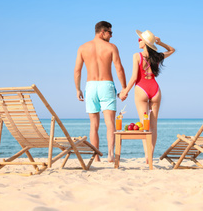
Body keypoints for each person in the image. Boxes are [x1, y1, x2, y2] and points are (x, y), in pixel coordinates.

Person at [74, 21, 127, 162]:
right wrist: (124, 88)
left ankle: (96, 156)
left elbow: (77, 70)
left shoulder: (83, 47)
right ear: (102, 32)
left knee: (94, 124)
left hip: (90, 86)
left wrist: (78, 89)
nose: (111, 36)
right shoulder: (111, 47)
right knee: (110, 122)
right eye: (110, 32)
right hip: (106, 85)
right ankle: (110, 154)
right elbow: (119, 68)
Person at [119, 30, 175, 162]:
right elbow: (172, 50)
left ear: (145, 43)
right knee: (153, 125)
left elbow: (134, 77)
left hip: (141, 89)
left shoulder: (137, 56)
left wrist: (125, 91)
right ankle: (150, 154)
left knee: (145, 125)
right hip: (155, 89)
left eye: (140, 39)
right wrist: (160, 43)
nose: (138, 41)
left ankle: (147, 156)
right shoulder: (157, 56)